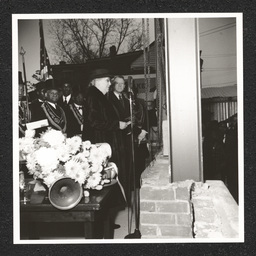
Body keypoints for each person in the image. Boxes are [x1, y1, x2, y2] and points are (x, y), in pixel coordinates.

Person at [82, 69, 130, 229]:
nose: (110, 84)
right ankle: (100, 223)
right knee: (100, 185)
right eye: (107, 81)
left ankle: (105, 221)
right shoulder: (92, 96)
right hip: (98, 147)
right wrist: (117, 124)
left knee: (105, 184)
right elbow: (93, 122)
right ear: (96, 81)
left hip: (104, 146)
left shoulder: (99, 96)